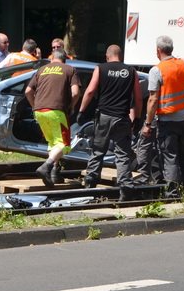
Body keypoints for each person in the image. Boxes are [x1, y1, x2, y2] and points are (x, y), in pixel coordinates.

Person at [76, 44, 141, 201]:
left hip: (104, 116)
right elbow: (137, 98)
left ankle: (90, 183)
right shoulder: (131, 72)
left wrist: (81, 111)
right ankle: (125, 187)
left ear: (107, 56)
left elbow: (90, 91)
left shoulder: (101, 68)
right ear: (121, 56)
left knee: (98, 150)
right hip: (122, 118)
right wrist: (137, 118)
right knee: (123, 154)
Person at [141, 34, 184, 197]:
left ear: (158, 51)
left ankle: (172, 193)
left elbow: (153, 99)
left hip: (168, 121)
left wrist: (147, 124)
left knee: (170, 157)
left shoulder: (157, 70)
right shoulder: (182, 64)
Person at [25, 48, 81, 187]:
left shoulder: (42, 69)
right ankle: (46, 167)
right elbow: (75, 93)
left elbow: (28, 91)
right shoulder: (69, 69)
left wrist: (34, 105)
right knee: (64, 144)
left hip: (39, 111)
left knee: (53, 143)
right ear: (64, 59)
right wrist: (71, 106)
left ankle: (53, 174)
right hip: (57, 111)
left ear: (52, 59)